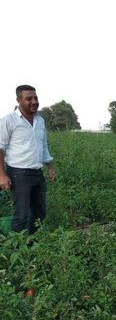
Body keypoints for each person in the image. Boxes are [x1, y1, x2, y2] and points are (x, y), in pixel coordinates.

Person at [0, 85, 56, 233]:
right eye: (29, 98)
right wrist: (2, 175)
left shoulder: (40, 121)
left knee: (39, 214)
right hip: (19, 175)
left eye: (35, 98)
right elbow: (1, 148)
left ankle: (32, 246)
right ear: (19, 100)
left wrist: (50, 167)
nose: (34, 101)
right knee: (21, 215)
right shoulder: (9, 120)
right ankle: (17, 250)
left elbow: (43, 146)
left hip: (38, 173)